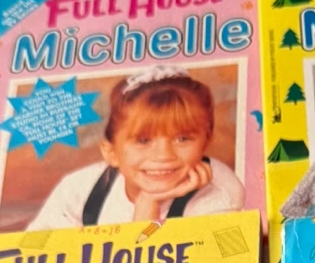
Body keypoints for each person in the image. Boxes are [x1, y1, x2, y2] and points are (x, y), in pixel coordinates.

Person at [27, 67, 245, 228]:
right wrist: (146, 204)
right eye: (143, 141)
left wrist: (149, 206)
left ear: (206, 141)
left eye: (182, 139)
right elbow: (35, 255)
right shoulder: (78, 189)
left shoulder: (219, 194)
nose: (163, 156)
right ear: (111, 152)